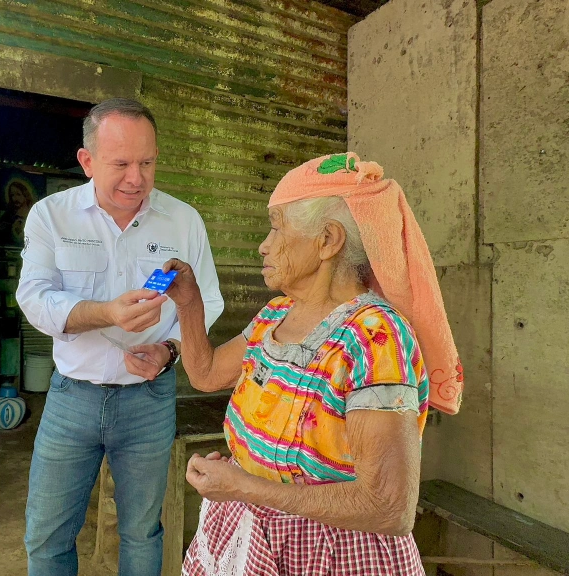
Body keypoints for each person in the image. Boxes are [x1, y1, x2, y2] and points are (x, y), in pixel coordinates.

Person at [153, 152, 464, 576]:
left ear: (327, 241)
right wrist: (188, 304)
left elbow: (389, 507)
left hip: (330, 555)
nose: (263, 244)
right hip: (249, 533)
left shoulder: (374, 338)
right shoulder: (276, 314)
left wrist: (247, 486)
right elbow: (206, 373)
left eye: (277, 225)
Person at [16, 98, 225, 576]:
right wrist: (104, 313)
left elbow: (207, 301)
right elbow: (33, 298)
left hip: (149, 400)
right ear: (87, 161)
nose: (137, 178)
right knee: (47, 535)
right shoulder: (51, 216)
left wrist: (170, 350)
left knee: (142, 532)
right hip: (72, 399)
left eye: (147, 163)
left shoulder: (183, 220)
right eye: (121, 164)